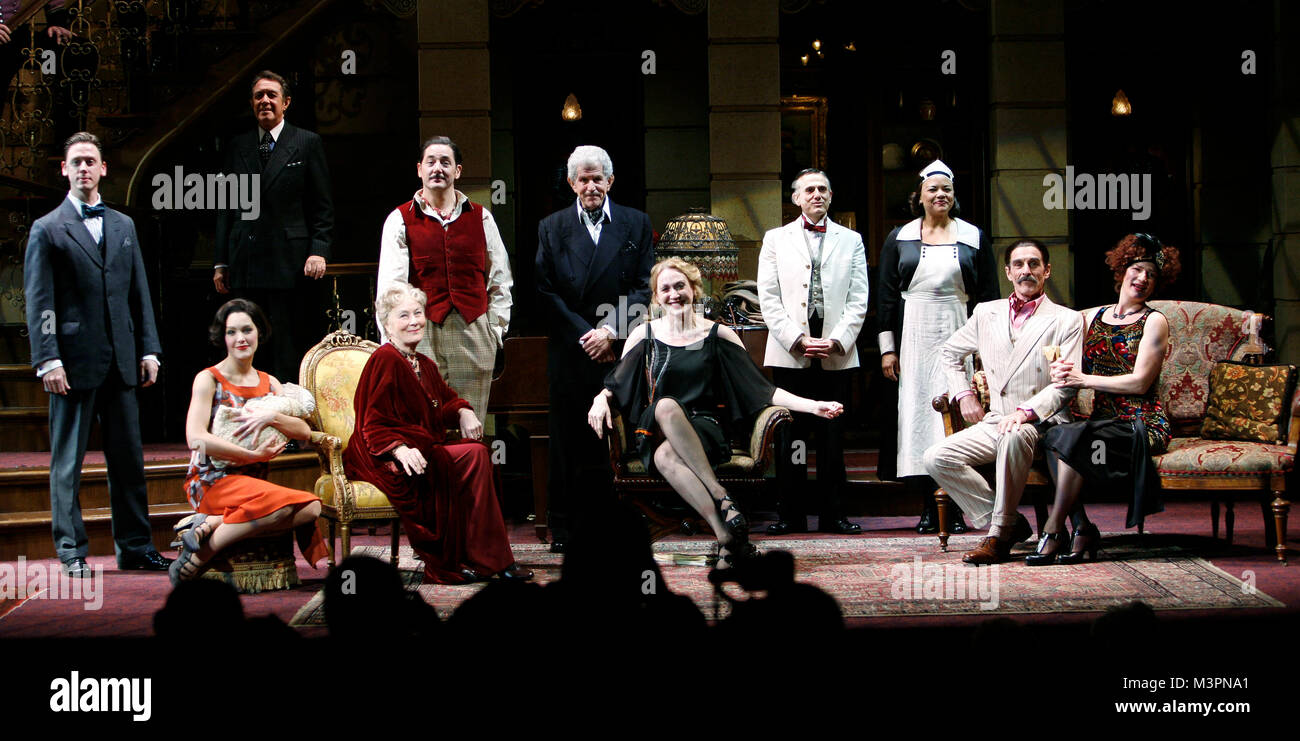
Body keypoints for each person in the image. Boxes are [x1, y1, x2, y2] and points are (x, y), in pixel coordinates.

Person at [589, 258, 844, 567]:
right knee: (666, 408)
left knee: (664, 456)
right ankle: (724, 507)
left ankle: (724, 531)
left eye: (680, 286)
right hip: (655, 428)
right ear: (656, 297)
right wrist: (600, 399)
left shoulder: (717, 335)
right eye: (665, 289)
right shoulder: (644, 335)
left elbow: (761, 389)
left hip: (704, 430)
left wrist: (813, 406)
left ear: (694, 289)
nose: (674, 294)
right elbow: (617, 383)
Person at [24, 131, 169, 577]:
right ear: (64, 170)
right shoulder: (47, 228)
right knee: (67, 462)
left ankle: (135, 546)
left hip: (121, 359)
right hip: (71, 361)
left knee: (128, 460)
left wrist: (148, 348)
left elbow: (138, 292)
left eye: (91, 161)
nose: (84, 168)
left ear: (103, 169)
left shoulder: (124, 225)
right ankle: (71, 552)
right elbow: (39, 301)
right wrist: (48, 358)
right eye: (76, 162)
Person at [343, 281, 532, 584]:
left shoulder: (424, 364)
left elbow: (441, 403)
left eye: (418, 313)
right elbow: (371, 423)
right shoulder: (385, 359)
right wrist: (398, 448)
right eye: (403, 316)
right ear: (388, 325)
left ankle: (490, 559)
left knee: (478, 454)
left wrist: (463, 411)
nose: (414, 321)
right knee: (473, 455)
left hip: (422, 449)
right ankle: (470, 560)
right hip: (381, 455)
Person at [922, 239, 1084, 564]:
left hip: (1043, 425)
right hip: (996, 420)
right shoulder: (986, 312)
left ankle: (997, 534)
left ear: (1047, 271)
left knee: (1013, 434)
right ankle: (1011, 524)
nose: (1027, 271)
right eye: (1019, 265)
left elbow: (1065, 386)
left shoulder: (1067, 320)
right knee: (935, 457)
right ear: (1008, 272)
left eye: (1034, 264)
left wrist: (1025, 413)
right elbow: (949, 353)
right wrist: (964, 394)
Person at [1028, 234, 1180, 565]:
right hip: (1101, 421)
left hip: (1140, 423)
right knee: (1053, 435)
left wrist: (1083, 380)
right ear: (1123, 269)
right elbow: (1067, 361)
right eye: (1138, 270)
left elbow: (1140, 383)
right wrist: (1062, 371)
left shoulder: (1154, 321)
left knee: (1074, 438)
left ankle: (1054, 529)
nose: (1142, 280)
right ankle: (1081, 527)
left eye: (1151, 275)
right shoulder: (1093, 318)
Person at [535, 144, 653, 553]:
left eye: (597, 178)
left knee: (616, 438)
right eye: (582, 179)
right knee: (569, 440)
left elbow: (644, 285)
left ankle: (617, 527)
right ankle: (566, 531)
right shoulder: (551, 227)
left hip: (619, 351)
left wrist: (611, 332)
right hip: (572, 351)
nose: (590, 185)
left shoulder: (636, 223)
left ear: (610, 181)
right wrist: (588, 335)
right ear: (571, 183)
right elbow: (545, 291)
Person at [878, 159, 999, 534]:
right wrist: (887, 348)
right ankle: (928, 508)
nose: (940, 194)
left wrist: (986, 348)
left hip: (958, 326)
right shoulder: (900, 237)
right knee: (919, 419)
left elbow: (990, 296)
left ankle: (959, 507)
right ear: (920, 197)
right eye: (933, 189)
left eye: (946, 189)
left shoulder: (973, 237)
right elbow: (884, 297)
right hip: (913, 332)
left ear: (954, 196)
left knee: (958, 418)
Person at [173, 299, 327, 584]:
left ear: (259, 333)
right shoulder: (208, 379)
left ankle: (214, 523)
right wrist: (249, 455)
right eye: (232, 332)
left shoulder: (270, 383)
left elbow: (303, 432)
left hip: (253, 484)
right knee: (282, 508)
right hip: (212, 480)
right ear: (223, 338)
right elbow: (196, 439)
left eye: (247, 330)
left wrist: (271, 416)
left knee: (312, 508)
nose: (240, 338)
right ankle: (199, 557)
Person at [756, 168, 868, 535]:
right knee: (793, 436)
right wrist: (797, 339)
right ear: (796, 198)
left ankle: (835, 514)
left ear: (831, 196)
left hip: (835, 350)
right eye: (809, 190)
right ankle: (791, 514)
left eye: (823, 188)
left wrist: (837, 339)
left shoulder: (851, 240)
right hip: (792, 350)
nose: (817, 194)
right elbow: (768, 297)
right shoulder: (775, 239)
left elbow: (858, 298)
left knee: (832, 436)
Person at [376, 135, 512, 416]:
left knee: (471, 425)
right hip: (421, 333)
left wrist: (495, 331)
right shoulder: (400, 219)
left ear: (457, 171)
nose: (438, 168)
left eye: (445, 162)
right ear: (419, 169)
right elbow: (390, 289)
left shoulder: (481, 217)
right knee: (425, 424)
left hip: (473, 332)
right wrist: (392, 340)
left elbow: (500, 279)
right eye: (431, 162)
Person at [213, 69, 334, 383]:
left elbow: (322, 206)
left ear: (286, 102)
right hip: (245, 262)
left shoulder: (306, 143)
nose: (265, 101)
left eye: (271, 95)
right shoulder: (237, 146)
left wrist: (318, 251)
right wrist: (221, 261)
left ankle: (287, 420)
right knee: (248, 344)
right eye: (258, 96)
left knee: (285, 345)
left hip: (289, 263)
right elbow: (226, 208)